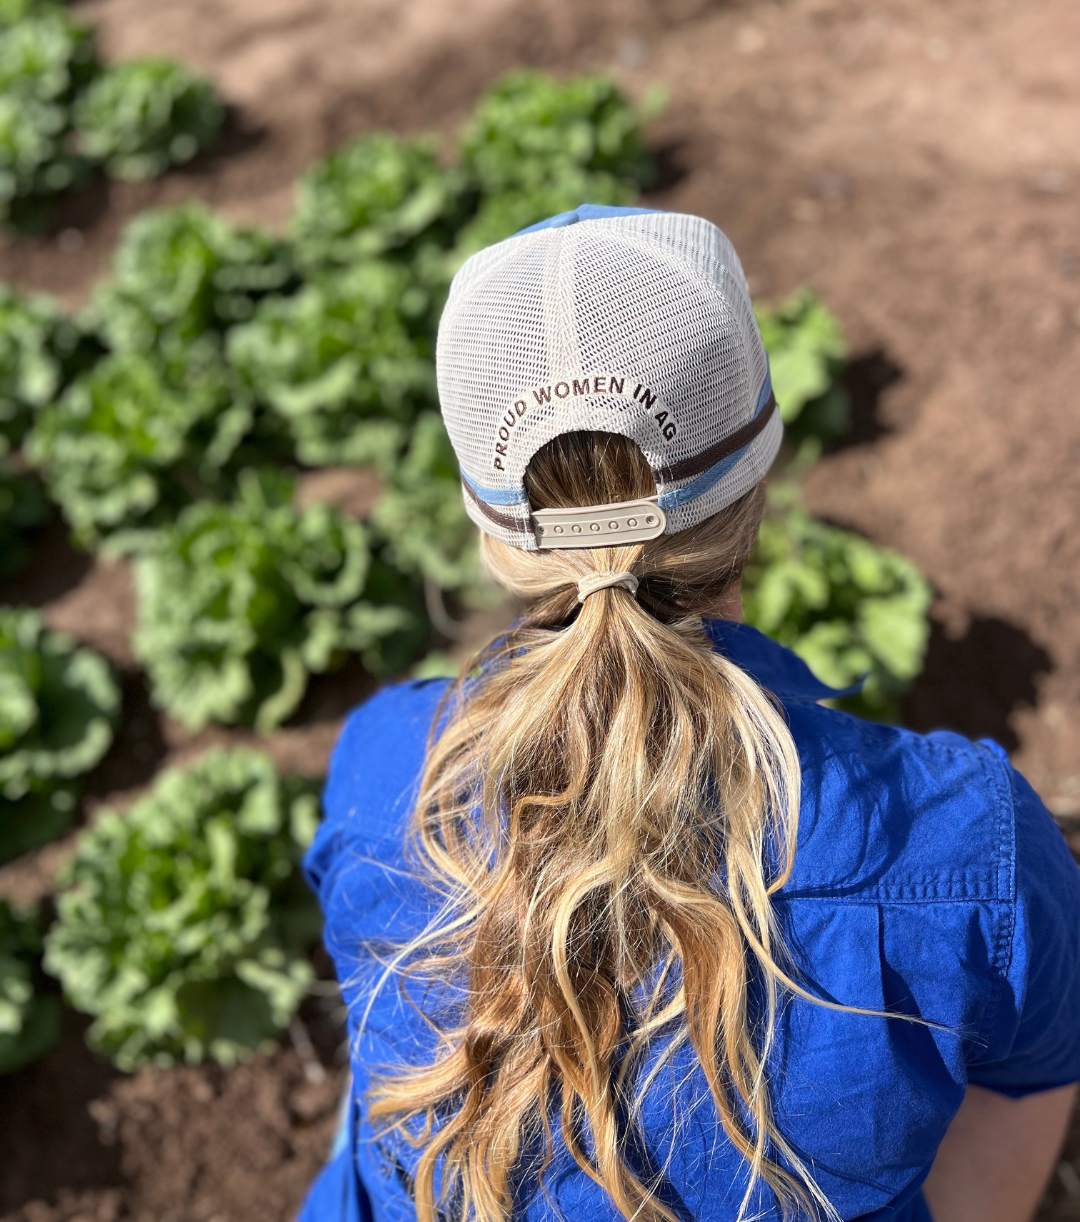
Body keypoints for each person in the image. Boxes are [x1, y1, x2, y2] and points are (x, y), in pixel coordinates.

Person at [298, 206, 1080, 1222]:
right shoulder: (972, 838)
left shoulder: (383, 770)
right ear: (757, 485)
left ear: (490, 537)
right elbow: (1034, 1078)